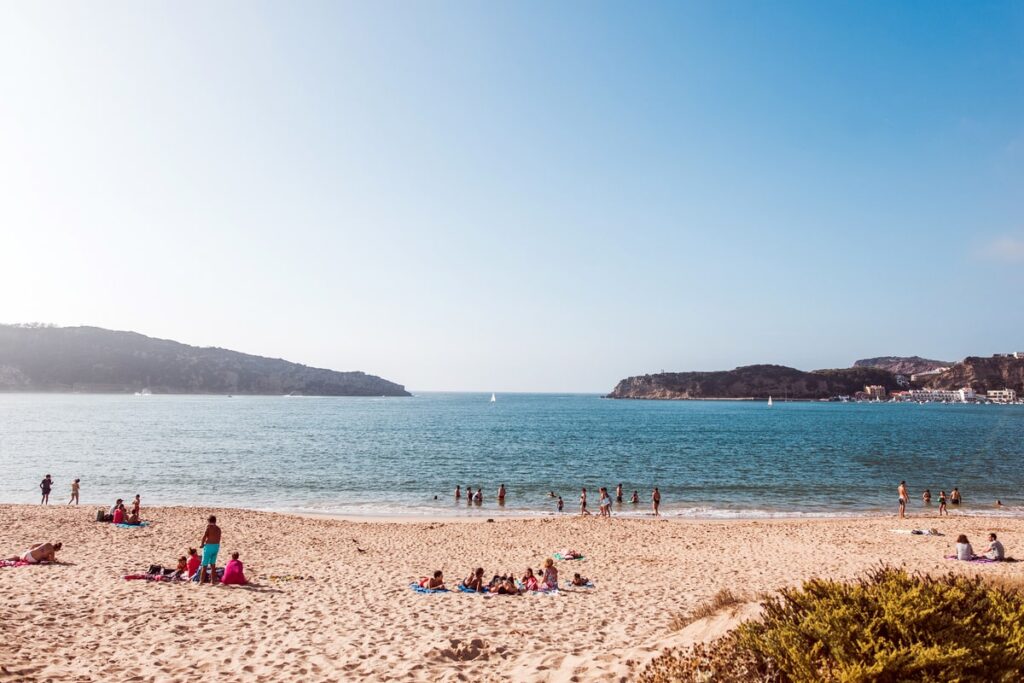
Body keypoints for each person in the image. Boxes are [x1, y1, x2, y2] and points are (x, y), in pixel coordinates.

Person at [199, 515, 222, 584]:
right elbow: (218, 538)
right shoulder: (218, 528)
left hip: (209, 547)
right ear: (215, 521)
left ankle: (201, 581)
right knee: (213, 565)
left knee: (204, 565)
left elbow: (204, 537)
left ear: (209, 521)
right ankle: (212, 581)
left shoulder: (208, 528)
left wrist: (202, 544)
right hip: (216, 547)